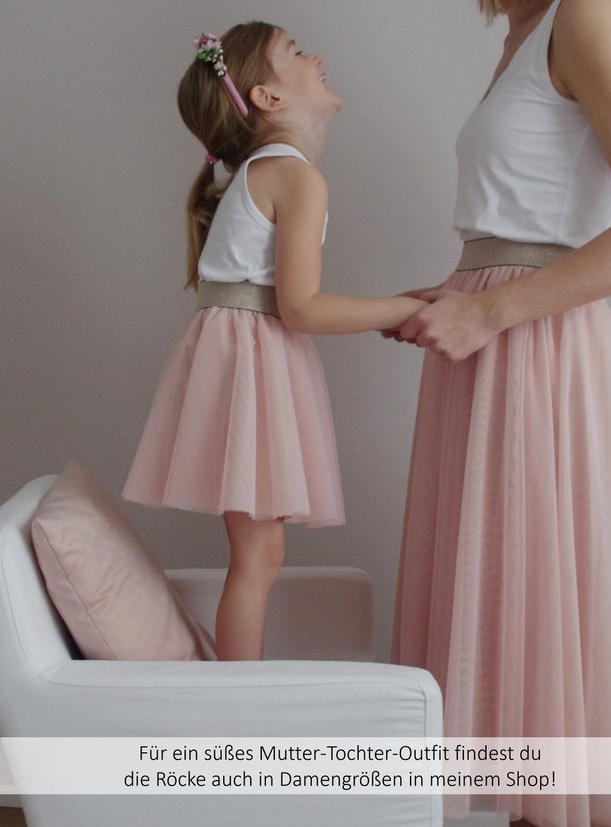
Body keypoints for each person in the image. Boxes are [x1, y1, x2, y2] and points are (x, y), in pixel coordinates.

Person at [390, 0, 611, 827]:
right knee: (535, 663)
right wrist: (458, 290)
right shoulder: (528, 28)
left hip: (541, 359)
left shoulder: (588, 11)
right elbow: (522, 216)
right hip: (496, 354)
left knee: (576, 657)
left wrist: (487, 306)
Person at [124, 22, 422, 661]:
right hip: (252, 362)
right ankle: (238, 708)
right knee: (258, 555)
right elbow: (304, 307)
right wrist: (401, 308)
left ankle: (239, 696)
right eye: (295, 52)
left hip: (245, 356)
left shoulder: (271, 172)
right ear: (268, 98)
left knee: (259, 552)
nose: (318, 56)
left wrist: (401, 303)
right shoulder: (295, 177)